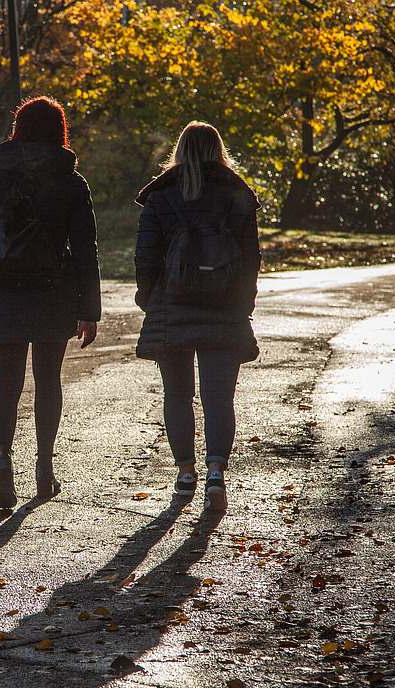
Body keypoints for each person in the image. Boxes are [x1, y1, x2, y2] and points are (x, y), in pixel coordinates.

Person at [0, 96, 101, 509]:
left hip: (0, 290)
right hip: (53, 290)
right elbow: (86, 248)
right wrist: (90, 309)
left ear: (17, 129)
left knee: (6, 385)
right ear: (60, 130)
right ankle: (44, 466)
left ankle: (3, 458)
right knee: (48, 380)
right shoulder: (70, 180)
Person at [133, 121, 261, 511]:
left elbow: (146, 256)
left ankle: (185, 472)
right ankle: (216, 473)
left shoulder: (161, 197)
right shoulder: (236, 194)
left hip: (171, 307)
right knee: (219, 397)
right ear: (218, 151)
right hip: (225, 308)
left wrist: (150, 299)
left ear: (180, 151)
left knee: (177, 394)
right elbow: (251, 258)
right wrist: (244, 303)